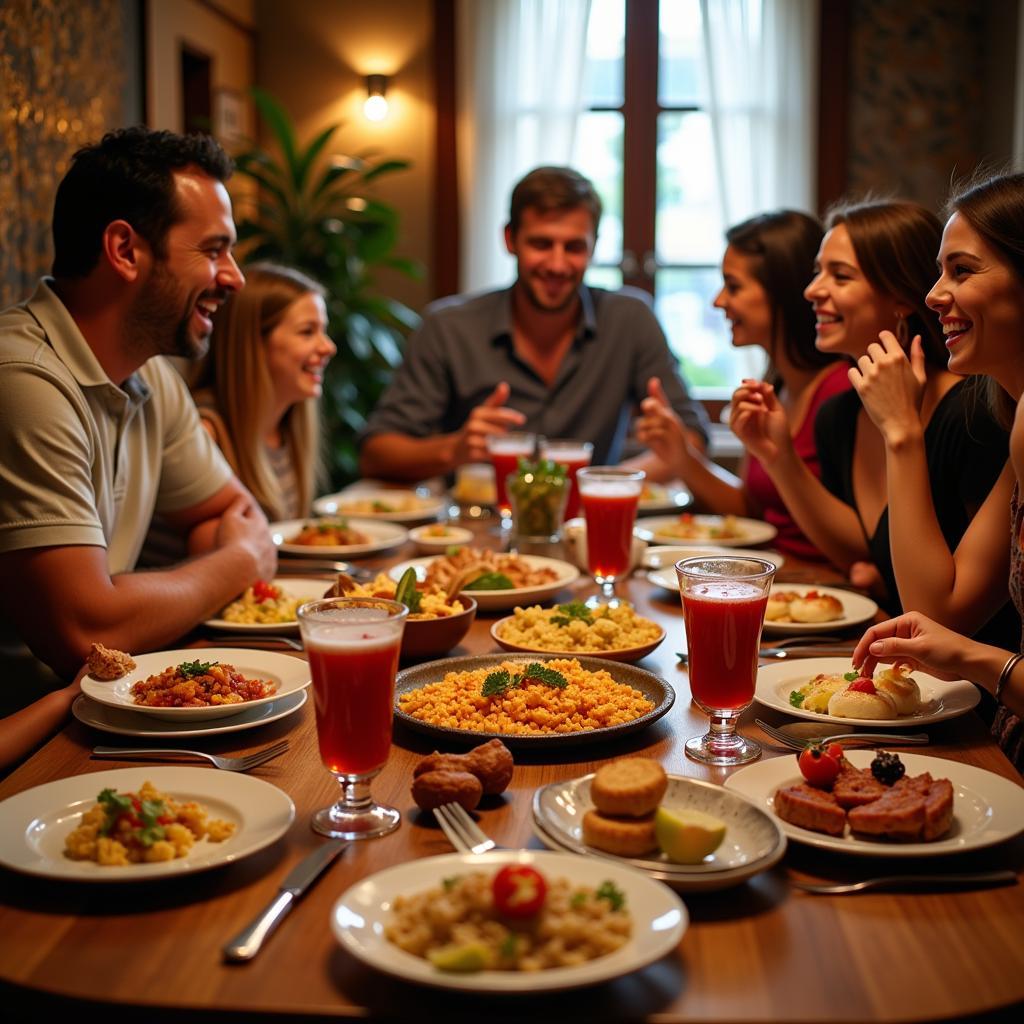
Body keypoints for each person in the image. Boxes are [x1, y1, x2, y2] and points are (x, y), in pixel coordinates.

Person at [0, 126, 277, 726]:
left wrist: (160, 593)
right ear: (125, 250)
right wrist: (237, 564)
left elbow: (228, 512)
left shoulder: (151, 377)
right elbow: (86, 631)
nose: (235, 277)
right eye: (212, 250)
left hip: (110, 712)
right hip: (31, 745)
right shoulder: (24, 381)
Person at [730, 199, 1011, 623]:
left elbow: (954, 613)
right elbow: (860, 547)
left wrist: (902, 432)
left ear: (901, 297)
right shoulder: (841, 415)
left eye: (839, 276)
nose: (812, 291)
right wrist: (779, 457)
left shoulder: (972, 413)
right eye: (816, 272)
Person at [358, 166, 709, 481]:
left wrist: (607, 487)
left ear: (594, 248)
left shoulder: (630, 319)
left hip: (587, 529)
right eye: (541, 244)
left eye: (574, 247)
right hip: (478, 532)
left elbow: (691, 439)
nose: (557, 265)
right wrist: (454, 449)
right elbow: (376, 453)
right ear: (510, 240)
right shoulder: (448, 326)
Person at [851, 171, 1024, 768]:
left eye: (963, 270)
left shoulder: (976, 417)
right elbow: (937, 614)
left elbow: (934, 616)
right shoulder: (1016, 417)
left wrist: (903, 436)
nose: (933, 294)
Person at [635, 210, 850, 560]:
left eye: (733, 286)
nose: (718, 301)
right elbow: (753, 512)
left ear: (783, 291)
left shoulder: (840, 392)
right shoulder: (774, 385)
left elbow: (863, 545)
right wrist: (682, 456)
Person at [188, 263, 336, 521]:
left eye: (323, 331)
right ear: (253, 343)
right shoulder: (205, 434)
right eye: (307, 332)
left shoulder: (288, 425)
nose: (328, 347)